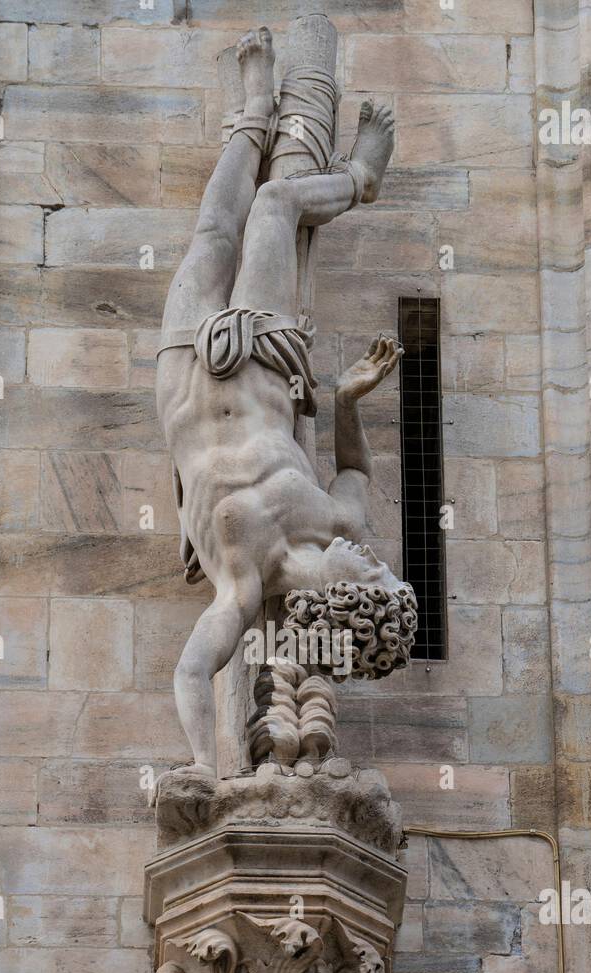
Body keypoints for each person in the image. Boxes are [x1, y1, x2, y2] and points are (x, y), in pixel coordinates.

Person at [156, 26, 411, 775]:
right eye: (372, 567)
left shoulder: (243, 586)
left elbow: (192, 671)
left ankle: (257, 112)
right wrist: (347, 400)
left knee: (211, 235)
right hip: (262, 367)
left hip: (184, 383)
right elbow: (356, 470)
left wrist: (206, 769)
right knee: (269, 206)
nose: (364, 558)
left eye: (364, 574)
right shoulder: (339, 520)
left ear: (335, 601)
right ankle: (352, 173)